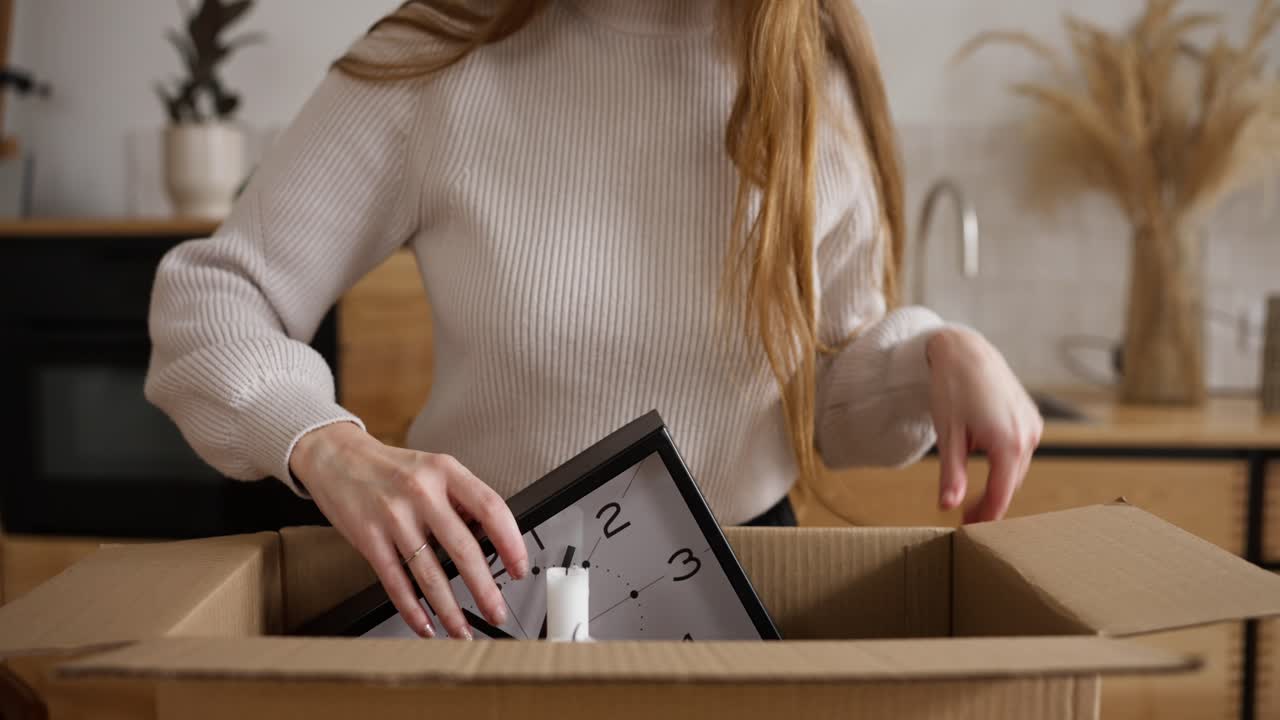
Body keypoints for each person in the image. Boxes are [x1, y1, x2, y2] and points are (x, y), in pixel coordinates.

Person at [146, 0, 1042, 642]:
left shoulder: (812, 69)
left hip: (738, 583)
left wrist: (932, 355)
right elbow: (215, 293)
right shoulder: (439, 54)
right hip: (487, 598)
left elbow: (828, 409)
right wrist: (322, 441)